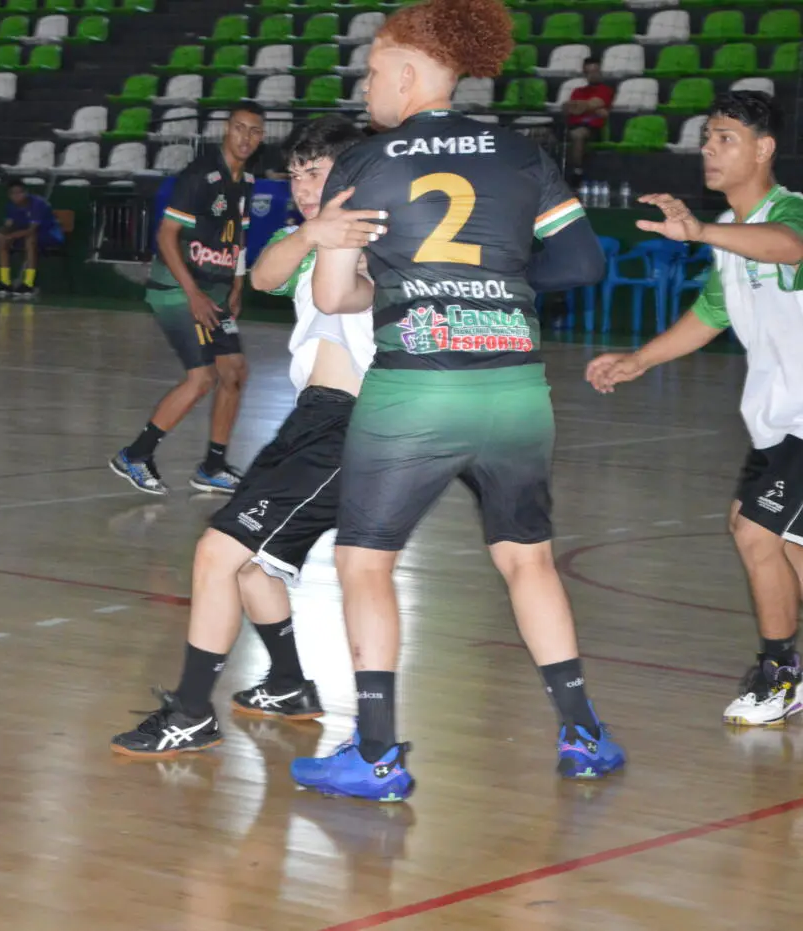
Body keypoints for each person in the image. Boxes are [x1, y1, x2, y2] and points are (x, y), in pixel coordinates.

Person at [288, 0, 619, 802]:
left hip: (417, 389)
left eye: (371, 72)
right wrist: (495, 294)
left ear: (406, 73)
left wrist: (362, 265)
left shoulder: (365, 163)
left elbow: (335, 298)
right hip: (513, 387)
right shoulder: (522, 154)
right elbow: (581, 262)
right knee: (526, 557)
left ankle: (374, 753)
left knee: (364, 561)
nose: (366, 87)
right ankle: (582, 734)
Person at [110, 115, 387, 757]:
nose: (301, 187)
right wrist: (311, 231)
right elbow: (263, 278)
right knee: (251, 566)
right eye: (293, 176)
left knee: (217, 552)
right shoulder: (307, 234)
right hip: (310, 419)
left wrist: (327, 234)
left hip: (353, 424)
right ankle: (289, 685)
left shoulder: (382, 234)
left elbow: (351, 295)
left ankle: (189, 713)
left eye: (315, 173)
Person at [586, 91, 803, 727]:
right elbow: (710, 314)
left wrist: (703, 229)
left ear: (763, 149)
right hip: (776, 422)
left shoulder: (785, 215)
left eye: (726, 137)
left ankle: (780, 674)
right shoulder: (732, 241)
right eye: (706, 136)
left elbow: (788, 247)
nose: (709, 147)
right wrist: (640, 361)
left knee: (755, 530)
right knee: (783, 546)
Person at [110, 103, 266, 496]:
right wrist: (193, 293)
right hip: (178, 291)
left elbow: (239, 236)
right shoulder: (199, 175)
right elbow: (165, 235)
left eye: (254, 131)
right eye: (239, 128)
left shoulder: (246, 179)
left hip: (214, 291)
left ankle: (213, 466)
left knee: (234, 373)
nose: (245, 138)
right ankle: (136, 455)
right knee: (203, 378)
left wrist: (236, 285)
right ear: (225, 130)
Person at [0, 179, 64, 300]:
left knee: (30, 238)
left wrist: (10, 236)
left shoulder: (38, 204)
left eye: (19, 192)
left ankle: (28, 284)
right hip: (22, 235)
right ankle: (5, 283)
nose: (16, 196)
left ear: (26, 192)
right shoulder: (11, 207)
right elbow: (8, 225)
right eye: (13, 193)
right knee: (3, 241)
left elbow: (31, 230)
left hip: (49, 235)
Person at [563, 58, 614, 186]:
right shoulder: (577, 91)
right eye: (589, 72)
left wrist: (582, 107)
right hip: (570, 125)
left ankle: (577, 171)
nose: (593, 75)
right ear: (585, 74)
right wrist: (588, 108)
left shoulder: (605, 90)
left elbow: (590, 105)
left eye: (596, 71)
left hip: (593, 129)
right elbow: (567, 108)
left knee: (578, 134)